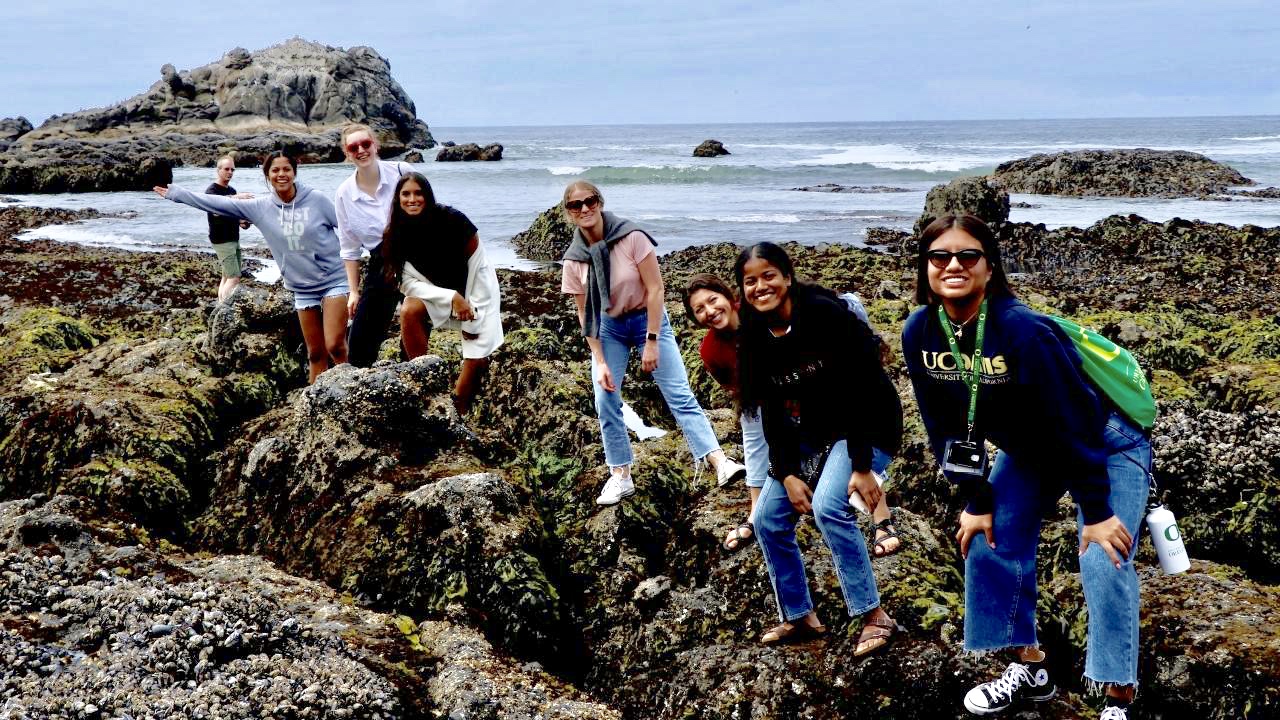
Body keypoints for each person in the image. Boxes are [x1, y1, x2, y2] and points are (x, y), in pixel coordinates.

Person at [901, 214, 1148, 719]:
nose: (954, 265)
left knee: (1106, 555)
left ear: (989, 268)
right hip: (1030, 448)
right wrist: (976, 500)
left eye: (968, 256)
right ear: (925, 267)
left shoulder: (1022, 330)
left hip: (1103, 442)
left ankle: (1118, 699)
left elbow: (1075, 424)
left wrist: (1097, 511)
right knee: (986, 541)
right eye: (940, 256)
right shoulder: (920, 331)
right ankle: (1030, 668)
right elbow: (943, 425)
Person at [734, 242, 903, 654]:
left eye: (769, 275)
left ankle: (873, 615)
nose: (761, 287)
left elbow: (862, 390)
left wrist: (862, 467)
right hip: (814, 430)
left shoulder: (824, 315)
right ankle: (799, 615)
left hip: (868, 423)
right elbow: (771, 411)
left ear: (788, 277)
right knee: (768, 519)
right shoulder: (754, 336)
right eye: (750, 281)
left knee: (830, 507)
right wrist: (788, 473)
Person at [683, 273, 904, 556]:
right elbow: (738, 392)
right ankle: (756, 514)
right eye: (699, 310)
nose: (710, 311)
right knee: (755, 437)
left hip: (806, 380)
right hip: (762, 393)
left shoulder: (760, 315)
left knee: (848, 434)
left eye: (713, 300)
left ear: (729, 297)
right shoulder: (711, 350)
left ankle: (881, 516)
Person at [560, 180, 745, 506]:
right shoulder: (575, 260)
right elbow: (584, 315)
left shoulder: (632, 238)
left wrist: (652, 341)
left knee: (678, 393)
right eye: (576, 205)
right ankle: (620, 475)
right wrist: (600, 361)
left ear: (600, 202)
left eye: (589, 201)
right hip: (610, 328)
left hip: (649, 318)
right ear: (569, 213)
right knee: (605, 398)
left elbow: (656, 289)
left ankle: (718, 461)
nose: (585, 208)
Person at [155, 151, 349, 383]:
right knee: (315, 353)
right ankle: (315, 401)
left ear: (295, 172)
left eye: (286, 169)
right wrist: (178, 193)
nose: (281, 174)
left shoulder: (317, 200)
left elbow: (349, 227)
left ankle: (347, 387)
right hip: (302, 287)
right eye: (275, 170)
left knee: (335, 345)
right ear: (267, 175)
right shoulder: (260, 207)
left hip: (333, 279)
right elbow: (219, 202)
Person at [382, 172, 503, 414]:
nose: (412, 199)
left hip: (476, 290)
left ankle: (458, 409)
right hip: (441, 293)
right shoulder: (394, 233)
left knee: (477, 356)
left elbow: (478, 270)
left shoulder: (453, 221)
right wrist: (450, 298)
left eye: (419, 193)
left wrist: (472, 314)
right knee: (409, 309)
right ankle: (424, 383)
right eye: (406, 194)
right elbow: (406, 284)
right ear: (398, 199)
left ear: (428, 196)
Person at [334, 124, 410, 367]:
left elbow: (430, 212)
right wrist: (354, 291)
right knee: (360, 340)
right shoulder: (344, 193)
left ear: (375, 145)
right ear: (347, 153)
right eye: (353, 147)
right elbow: (349, 248)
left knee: (415, 320)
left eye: (365, 144)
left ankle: (415, 377)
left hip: (416, 253)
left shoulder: (402, 171)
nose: (361, 150)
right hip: (380, 261)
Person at [205, 155, 252, 302]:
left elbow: (231, 214)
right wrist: (238, 197)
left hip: (233, 238)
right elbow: (216, 211)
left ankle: (221, 304)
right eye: (226, 169)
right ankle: (224, 309)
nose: (230, 172)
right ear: (218, 170)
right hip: (221, 240)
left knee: (226, 276)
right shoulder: (211, 191)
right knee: (234, 277)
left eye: (232, 169)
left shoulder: (231, 190)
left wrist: (242, 221)